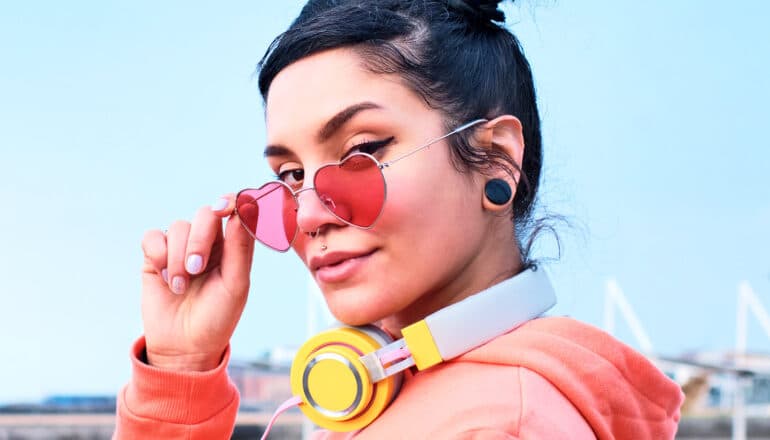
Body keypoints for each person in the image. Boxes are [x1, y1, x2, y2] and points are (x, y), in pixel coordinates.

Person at [114, 0, 684, 438]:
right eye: (289, 177)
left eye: (361, 151)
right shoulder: (407, 390)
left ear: (495, 157)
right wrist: (180, 369)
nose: (309, 214)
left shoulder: (493, 425)